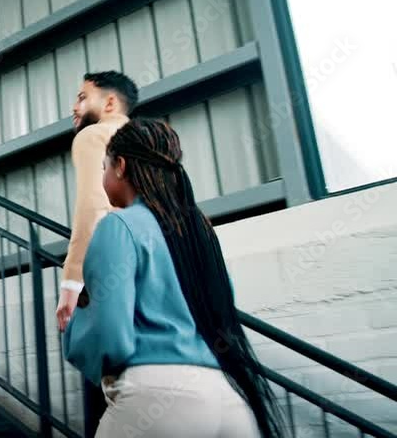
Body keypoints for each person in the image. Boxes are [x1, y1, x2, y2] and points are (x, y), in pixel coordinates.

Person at [63, 119, 283, 437]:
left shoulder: (118, 226)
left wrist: (75, 331)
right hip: (228, 400)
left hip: (159, 398)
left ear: (121, 166)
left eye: (104, 167)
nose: (103, 177)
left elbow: (114, 337)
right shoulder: (200, 231)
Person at [54, 70, 138, 436]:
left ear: (109, 103)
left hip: (110, 272)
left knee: (111, 386)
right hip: (153, 271)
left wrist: (72, 282)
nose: (74, 107)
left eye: (82, 97)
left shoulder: (93, 136)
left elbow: (92, 207)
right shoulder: (148, 141)